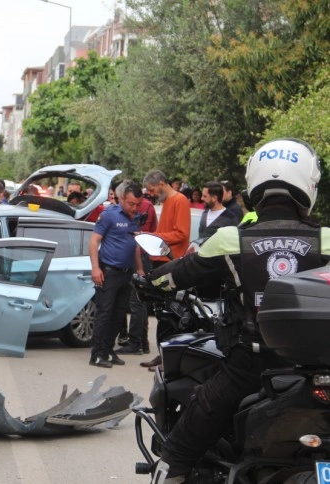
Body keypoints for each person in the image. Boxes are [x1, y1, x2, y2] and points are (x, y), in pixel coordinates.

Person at [147, 138, 330, 483]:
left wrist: (144, 284)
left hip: (250, 367)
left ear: (254, 183)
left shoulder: (232, 240)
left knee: (179, 449)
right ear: (310, 184)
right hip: (319, 368)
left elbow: (173, 277)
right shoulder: (326, 239)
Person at [88, 180, 144, 368]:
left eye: (137, 204)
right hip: (109, 272)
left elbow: (135, 245)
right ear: (121, 199)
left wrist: (140, 269)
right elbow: (94, 241)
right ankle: (96, 354)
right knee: (104, 313)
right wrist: (95, 268)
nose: (134, 208)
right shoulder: (108, 215)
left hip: (126, 273)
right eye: (131, 204)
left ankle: (108, 350)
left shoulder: (135, 217)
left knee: (119, 315)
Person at [141, 169, 191, 369]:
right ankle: (162, 354)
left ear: (162, 183)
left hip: (171, 262)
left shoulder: (179, 200)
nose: (151, 194)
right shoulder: (168, 202)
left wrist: (157, 238)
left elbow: (181, 233)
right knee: (161, 312)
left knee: (169, 313)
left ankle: (168, 359)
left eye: (152, 189)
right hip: (161, 261)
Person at [117, 189, 158, 355]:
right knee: (141, 301)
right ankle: (142, 342)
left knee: (135, 302)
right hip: (145, 256)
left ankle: (135, 343)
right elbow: (154, 229)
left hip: (137, 257)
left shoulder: (131, 208)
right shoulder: (149, 207)